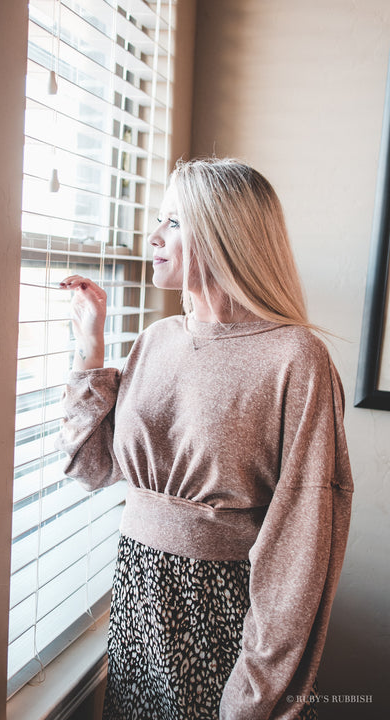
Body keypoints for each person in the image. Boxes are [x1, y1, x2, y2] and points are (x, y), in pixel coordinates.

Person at [56, 157, 353, 720]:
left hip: (225, 618)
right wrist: (89, 349)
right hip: (138, 607)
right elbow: (90, 470)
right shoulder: (154, 341)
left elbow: (303, 541)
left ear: (223, 231)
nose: (152, 237)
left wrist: (256, 693)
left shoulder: (296, 358)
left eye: (173, 222)